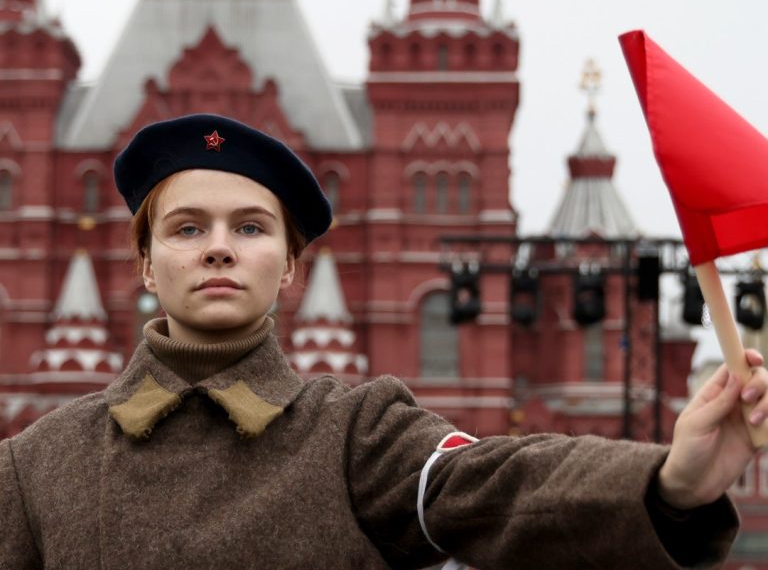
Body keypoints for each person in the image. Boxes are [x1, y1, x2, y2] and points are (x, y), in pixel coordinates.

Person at [1, 113, 767, 570]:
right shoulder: (38, 464)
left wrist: (670, 481)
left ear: (290, 265)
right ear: (144, 262)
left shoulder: (355, 434)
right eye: (188, 227)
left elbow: (499, 485)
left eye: (252, 227)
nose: (219, 248)